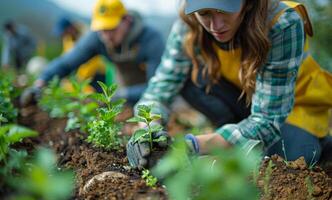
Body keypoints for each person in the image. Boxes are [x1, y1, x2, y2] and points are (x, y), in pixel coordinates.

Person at [126, 0, 332, 169]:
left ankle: (321, 143)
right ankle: (230, 138)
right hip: (246, 99)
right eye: (205, 13)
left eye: (224, 10)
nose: (216, 25)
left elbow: (268, 119)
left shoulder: (282, 22)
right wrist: (147, 130)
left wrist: (191, 146)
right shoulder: (189, 23)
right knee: (188, 75)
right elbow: (160, 87)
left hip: (293, 108)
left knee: (290, 158)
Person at [20, 0, 164, 105]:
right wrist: (41, 81)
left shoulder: (151, 39)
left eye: (111, 29)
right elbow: (67, 62)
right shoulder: (97, 38)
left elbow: (158, 86)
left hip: (154, 94)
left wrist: (119, 95)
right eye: (102, 30)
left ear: (126, 20)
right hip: (125, 91)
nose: (106, 36)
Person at [53, 16, 107, 93]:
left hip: (96, 73)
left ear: (70, 28)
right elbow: (66, 56)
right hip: (80, 73)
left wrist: (80, 79)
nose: (63, 35)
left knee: (97, 98)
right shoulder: (67, 38)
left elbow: (92, 62)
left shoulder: (87, 35)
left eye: (64, 32)